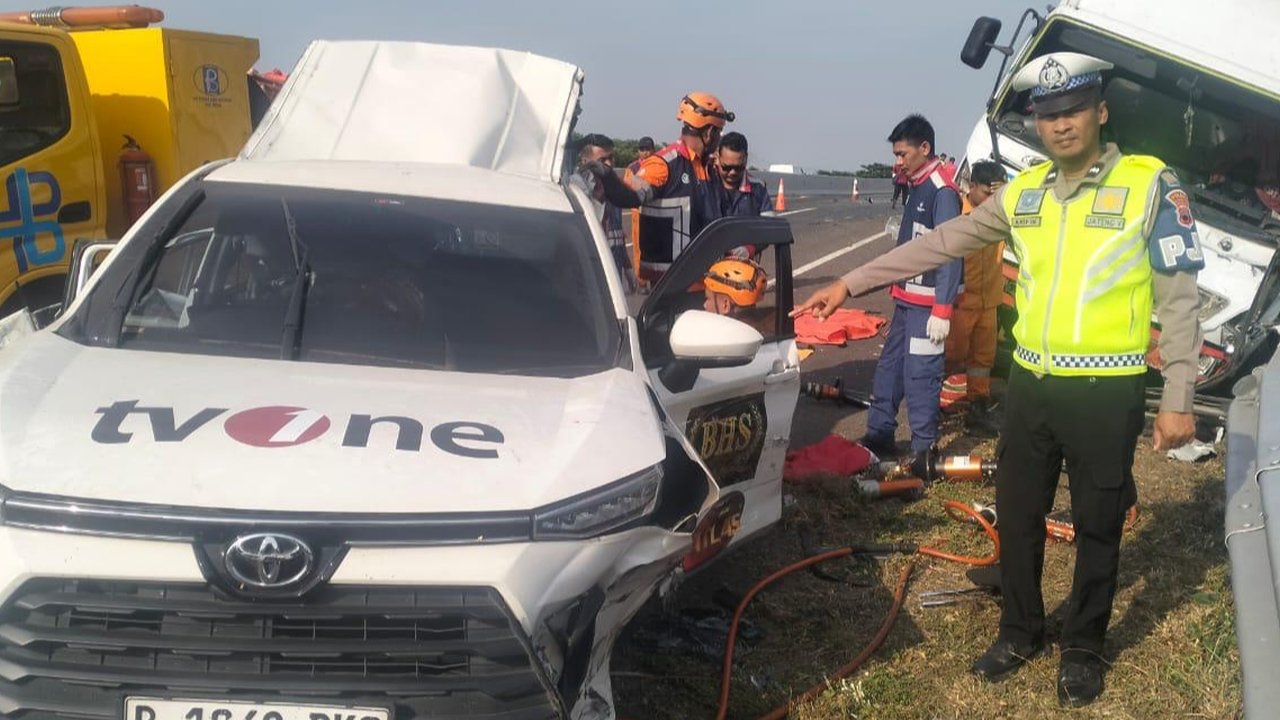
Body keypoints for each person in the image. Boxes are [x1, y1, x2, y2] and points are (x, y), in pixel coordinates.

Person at [793, 52, 1203, 707]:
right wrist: (850, 281)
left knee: (1098, 525)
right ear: (1037, 125)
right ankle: (1020, 632)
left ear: (1099, 113)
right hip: (1032, 390)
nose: (1061, 125)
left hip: (1107, 391)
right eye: (1048, 115)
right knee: (1017, 517)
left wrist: (1179, 397)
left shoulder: (1149, 184)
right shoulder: (1028, 192)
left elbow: (1181, 298)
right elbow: (941, 242)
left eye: (1073, 111)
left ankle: (1083, 648)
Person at [858, 114, 962, 459]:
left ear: (924, 148)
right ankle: (879, 435)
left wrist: (943, 309)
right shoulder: (918, 184)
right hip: (906, 301)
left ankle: (922, 449)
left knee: (921, 376)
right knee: (889, 371)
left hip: (927, 306)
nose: (897, 161)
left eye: (902, 154)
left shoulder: (941, 191)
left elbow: (951, 251)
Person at [588, 92, 734, 283]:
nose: (718, 139)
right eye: (718, 132)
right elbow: (629, 196)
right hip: (671, 286)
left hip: (704, 280)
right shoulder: (663, 165)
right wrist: (606, 176)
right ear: (708, 132)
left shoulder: (709, 169)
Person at [944, 159, 1006, 434]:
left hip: (989, 301)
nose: (991, 199)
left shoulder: (1002, 214)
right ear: (972, 187)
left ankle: (978, 406)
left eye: (997, 194)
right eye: (987, 193)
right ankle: (928, 402)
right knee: (950, 354)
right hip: (962, 302)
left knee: (983, 359)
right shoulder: (955, 213)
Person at [570, 133, 638, 292]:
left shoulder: (613, 190)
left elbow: (617, 236)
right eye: (602, 160)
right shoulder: (576, 192)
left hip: (613, 274)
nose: (609, 164)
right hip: (588, 278)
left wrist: (627, 268)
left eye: (611, 158)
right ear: (585, 162)